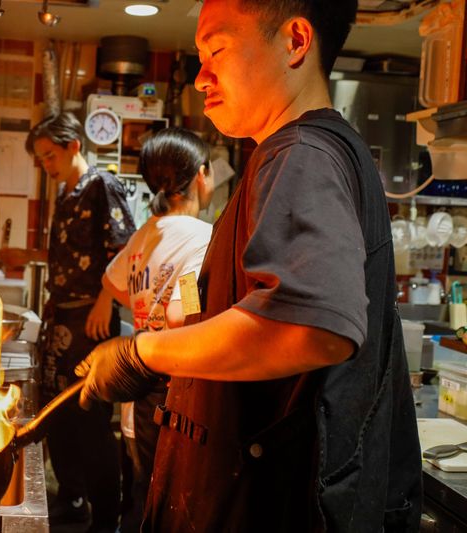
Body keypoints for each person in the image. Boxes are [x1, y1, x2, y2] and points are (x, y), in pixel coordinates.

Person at [77, 1, 422, 531]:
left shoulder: (302, 153)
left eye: (217, 50)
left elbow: (309, 327)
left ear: (295, 41)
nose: (201, 77)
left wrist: (141, 353)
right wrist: (188, 330)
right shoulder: (295, 155)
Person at [84, 127, 214, 533]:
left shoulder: (145, 233)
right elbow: (181, 314)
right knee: (163, 512)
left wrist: (147, 303)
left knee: (139, 500)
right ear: (201, 175)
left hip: (135, 399)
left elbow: (113, 283)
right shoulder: (202, 238)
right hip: (171, 401)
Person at [26, 112, 135, 532]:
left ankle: (106, 518)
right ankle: (71, 498)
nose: (46, 165)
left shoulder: (102, 185)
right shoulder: (66, 192)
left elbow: (125, 250)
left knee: (90, 417)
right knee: (60, 414)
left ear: (74, 145)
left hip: (91, 318)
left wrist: (106, 300)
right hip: (63, 317)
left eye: (50, 155)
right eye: (41, 159)